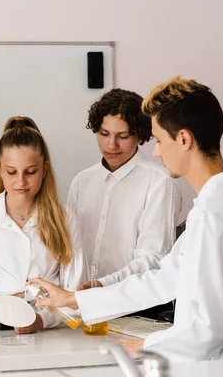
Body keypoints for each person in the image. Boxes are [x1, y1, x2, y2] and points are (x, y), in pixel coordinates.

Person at [29, 77, 223, 362]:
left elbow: (205, 332)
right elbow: (163, 279)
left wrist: (144, 345)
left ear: (183, 139)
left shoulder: (216, 214)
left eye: (158, 139)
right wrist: (74, 299)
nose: (156, 151)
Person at [0, 116, 85, 334]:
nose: (21, 181)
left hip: (51, 333)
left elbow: (75, 298)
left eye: (30, 172)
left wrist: (40, 320)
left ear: (44, 169)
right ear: (0, 169)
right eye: (12, 172)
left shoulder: (65, 219)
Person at [68, 89, 181, 318]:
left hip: (137, 309)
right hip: (84, 307)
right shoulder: (82, 182)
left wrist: (104, 285)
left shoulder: (159, 182)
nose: (111, 145)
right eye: (103, 133)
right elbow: (70, 249)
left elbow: (153, 259)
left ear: (140, 135)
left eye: (123, 136)